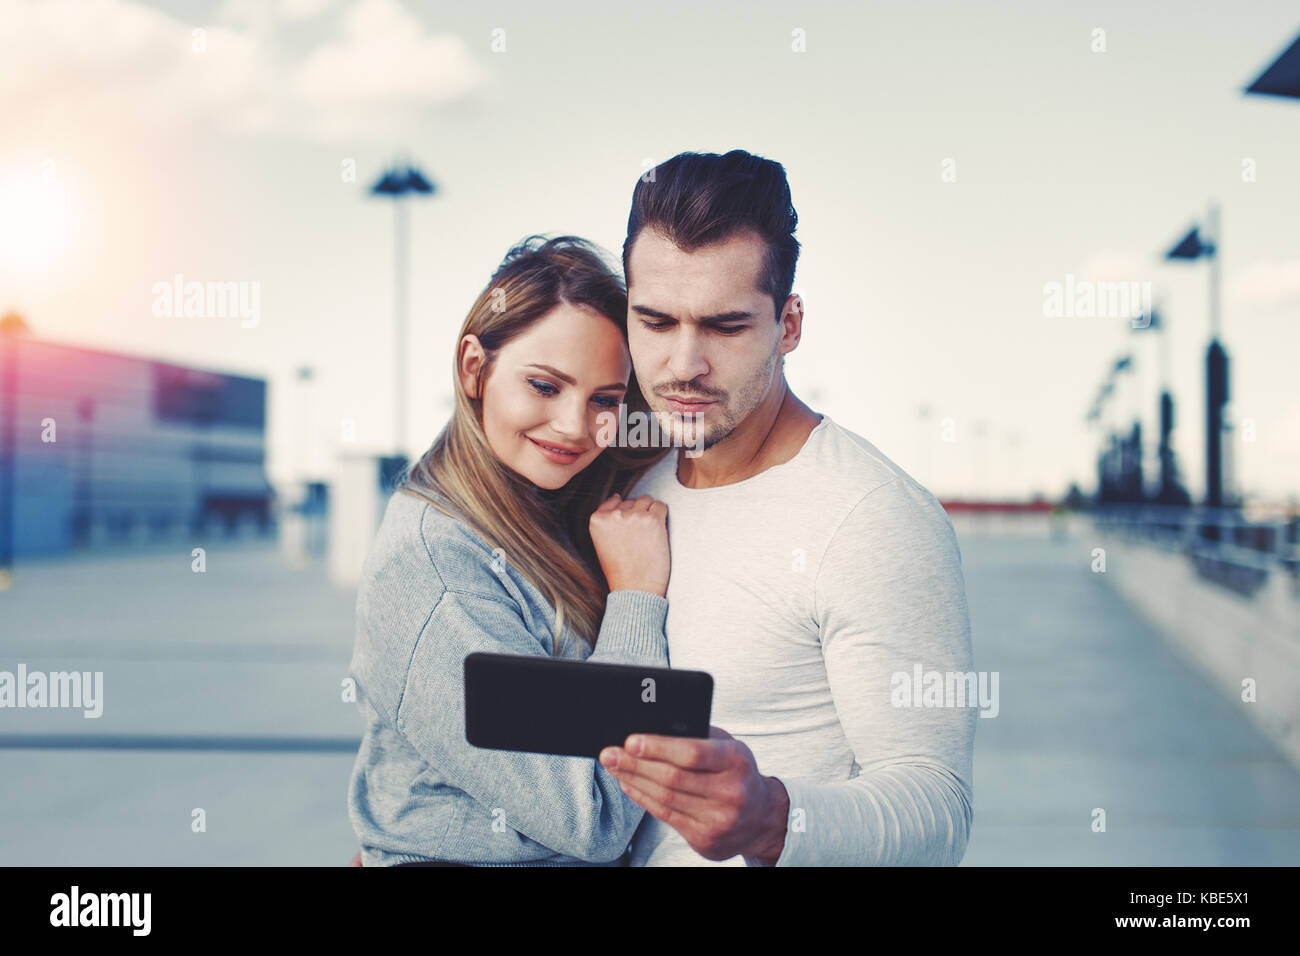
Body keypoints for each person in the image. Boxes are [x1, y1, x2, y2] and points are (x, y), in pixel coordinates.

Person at [595, 149, 978, 866]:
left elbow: (937, 810)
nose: (683, 366)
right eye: (655, 321)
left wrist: (773, 817)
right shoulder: (625, 476)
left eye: (725, 327)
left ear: (789, 325)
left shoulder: (872, 516)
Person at [345, 235, 672, 866]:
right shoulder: (438, 569)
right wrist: (634, 599)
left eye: (605, 399)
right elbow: (592, 817)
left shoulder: (543, 508)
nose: (577, 426)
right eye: (545, 386)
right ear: (474, 368)